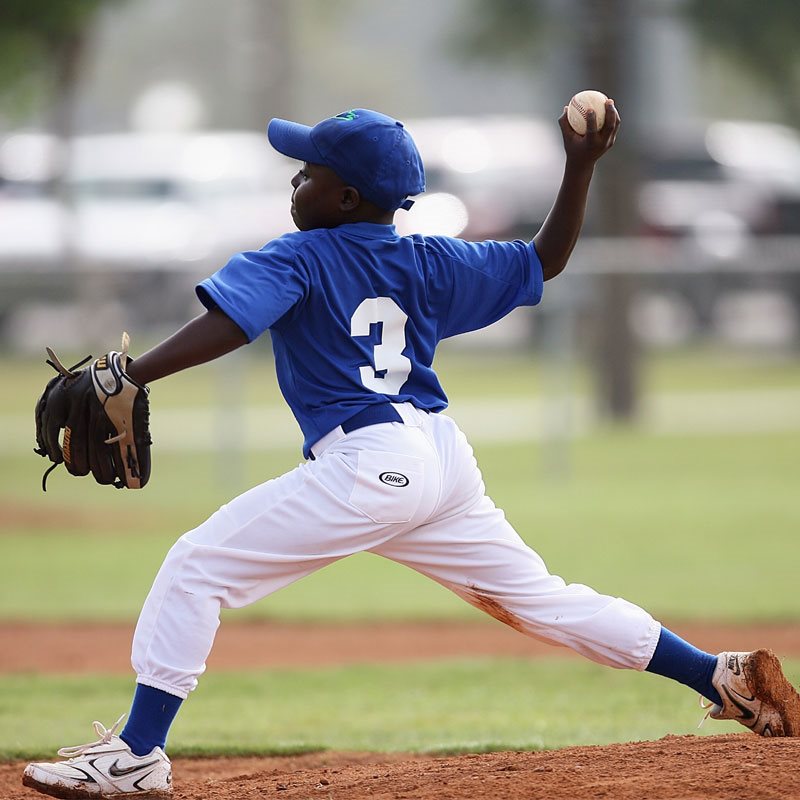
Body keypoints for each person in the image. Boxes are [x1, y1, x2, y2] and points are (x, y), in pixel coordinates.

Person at [23, 105, 799, 799]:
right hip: (440, 460)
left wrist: (131, 371)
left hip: (369, 466)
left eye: (310, 172)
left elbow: (233, 323)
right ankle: (721, 676)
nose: (295, 181)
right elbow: (545, 259)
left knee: (197, 566)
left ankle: (136, 754)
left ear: (346, 198)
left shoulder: (300, 257)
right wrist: (580, 166)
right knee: (540, 598)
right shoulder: (431, 259)